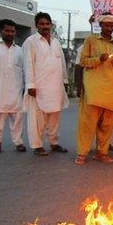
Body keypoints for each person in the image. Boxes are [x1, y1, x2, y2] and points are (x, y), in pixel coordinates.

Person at [75, 13, 113, 165]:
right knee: (87, 123)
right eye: (106, 25)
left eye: (112, 26)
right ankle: (82, 153)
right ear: (101, 25)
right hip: (93, 88)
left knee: (107, 124)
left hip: (111, 88)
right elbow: (83, 61)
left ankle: (102, 152)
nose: (109, 28)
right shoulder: (91, 40)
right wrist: (99, 59)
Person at [22, 12, 69, 156]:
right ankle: (37, 145)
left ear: (51, 25)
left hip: (55, 86)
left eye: (47, 24)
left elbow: (62, 62)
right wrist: (30, 85)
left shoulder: (56, 42)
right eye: (41, 24)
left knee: (55, 116)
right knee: (37, 119)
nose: (45, 26)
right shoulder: (31, 41)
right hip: (39, 87)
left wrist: (65, 80)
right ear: (36, 25)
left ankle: (54, 143)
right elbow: (28, 63)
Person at [0, 19, 26, 153]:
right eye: (7, 30)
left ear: (15, 33)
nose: (9, 33)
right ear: (1, 31)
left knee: (18, 118)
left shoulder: (20, 51)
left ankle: (18, 142)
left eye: (12, 31)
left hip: (16, 89)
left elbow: (25, 70)